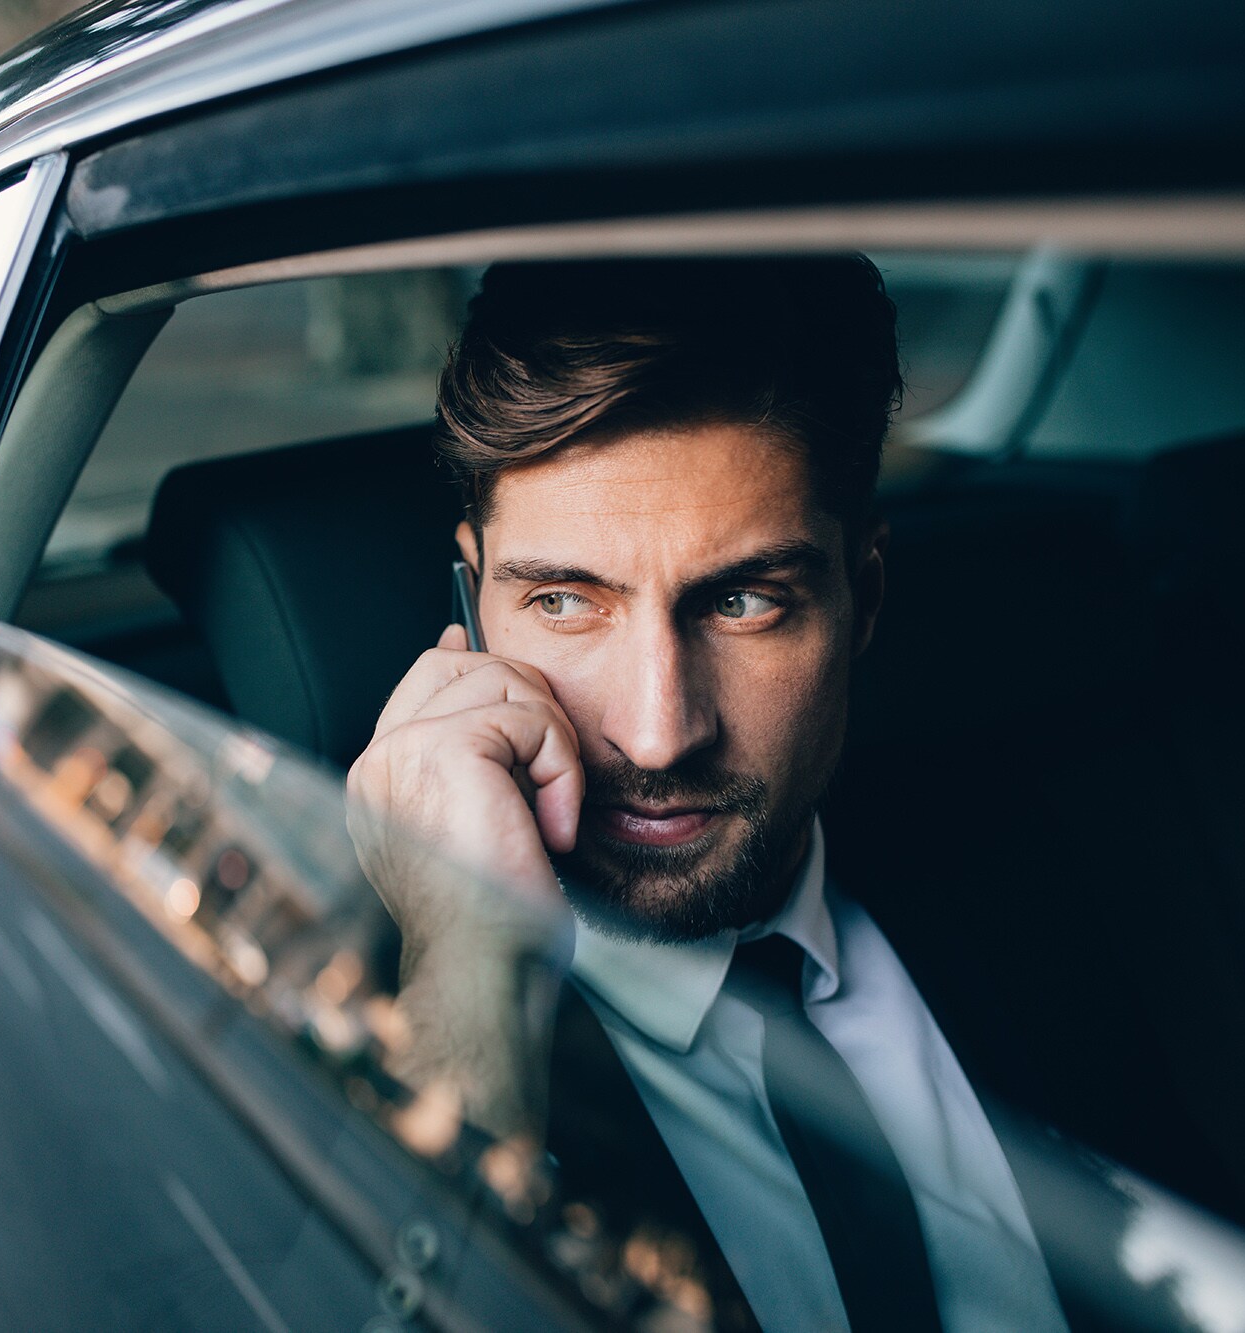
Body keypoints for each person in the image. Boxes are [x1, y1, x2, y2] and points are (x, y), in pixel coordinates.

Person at [345, 258, 1070, 1332]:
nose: (657, 729)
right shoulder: (328, 1013)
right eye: (563, 601)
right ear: (470, 599)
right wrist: (465, 972)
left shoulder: (1051, 894)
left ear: (859, 597)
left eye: (740, 601)